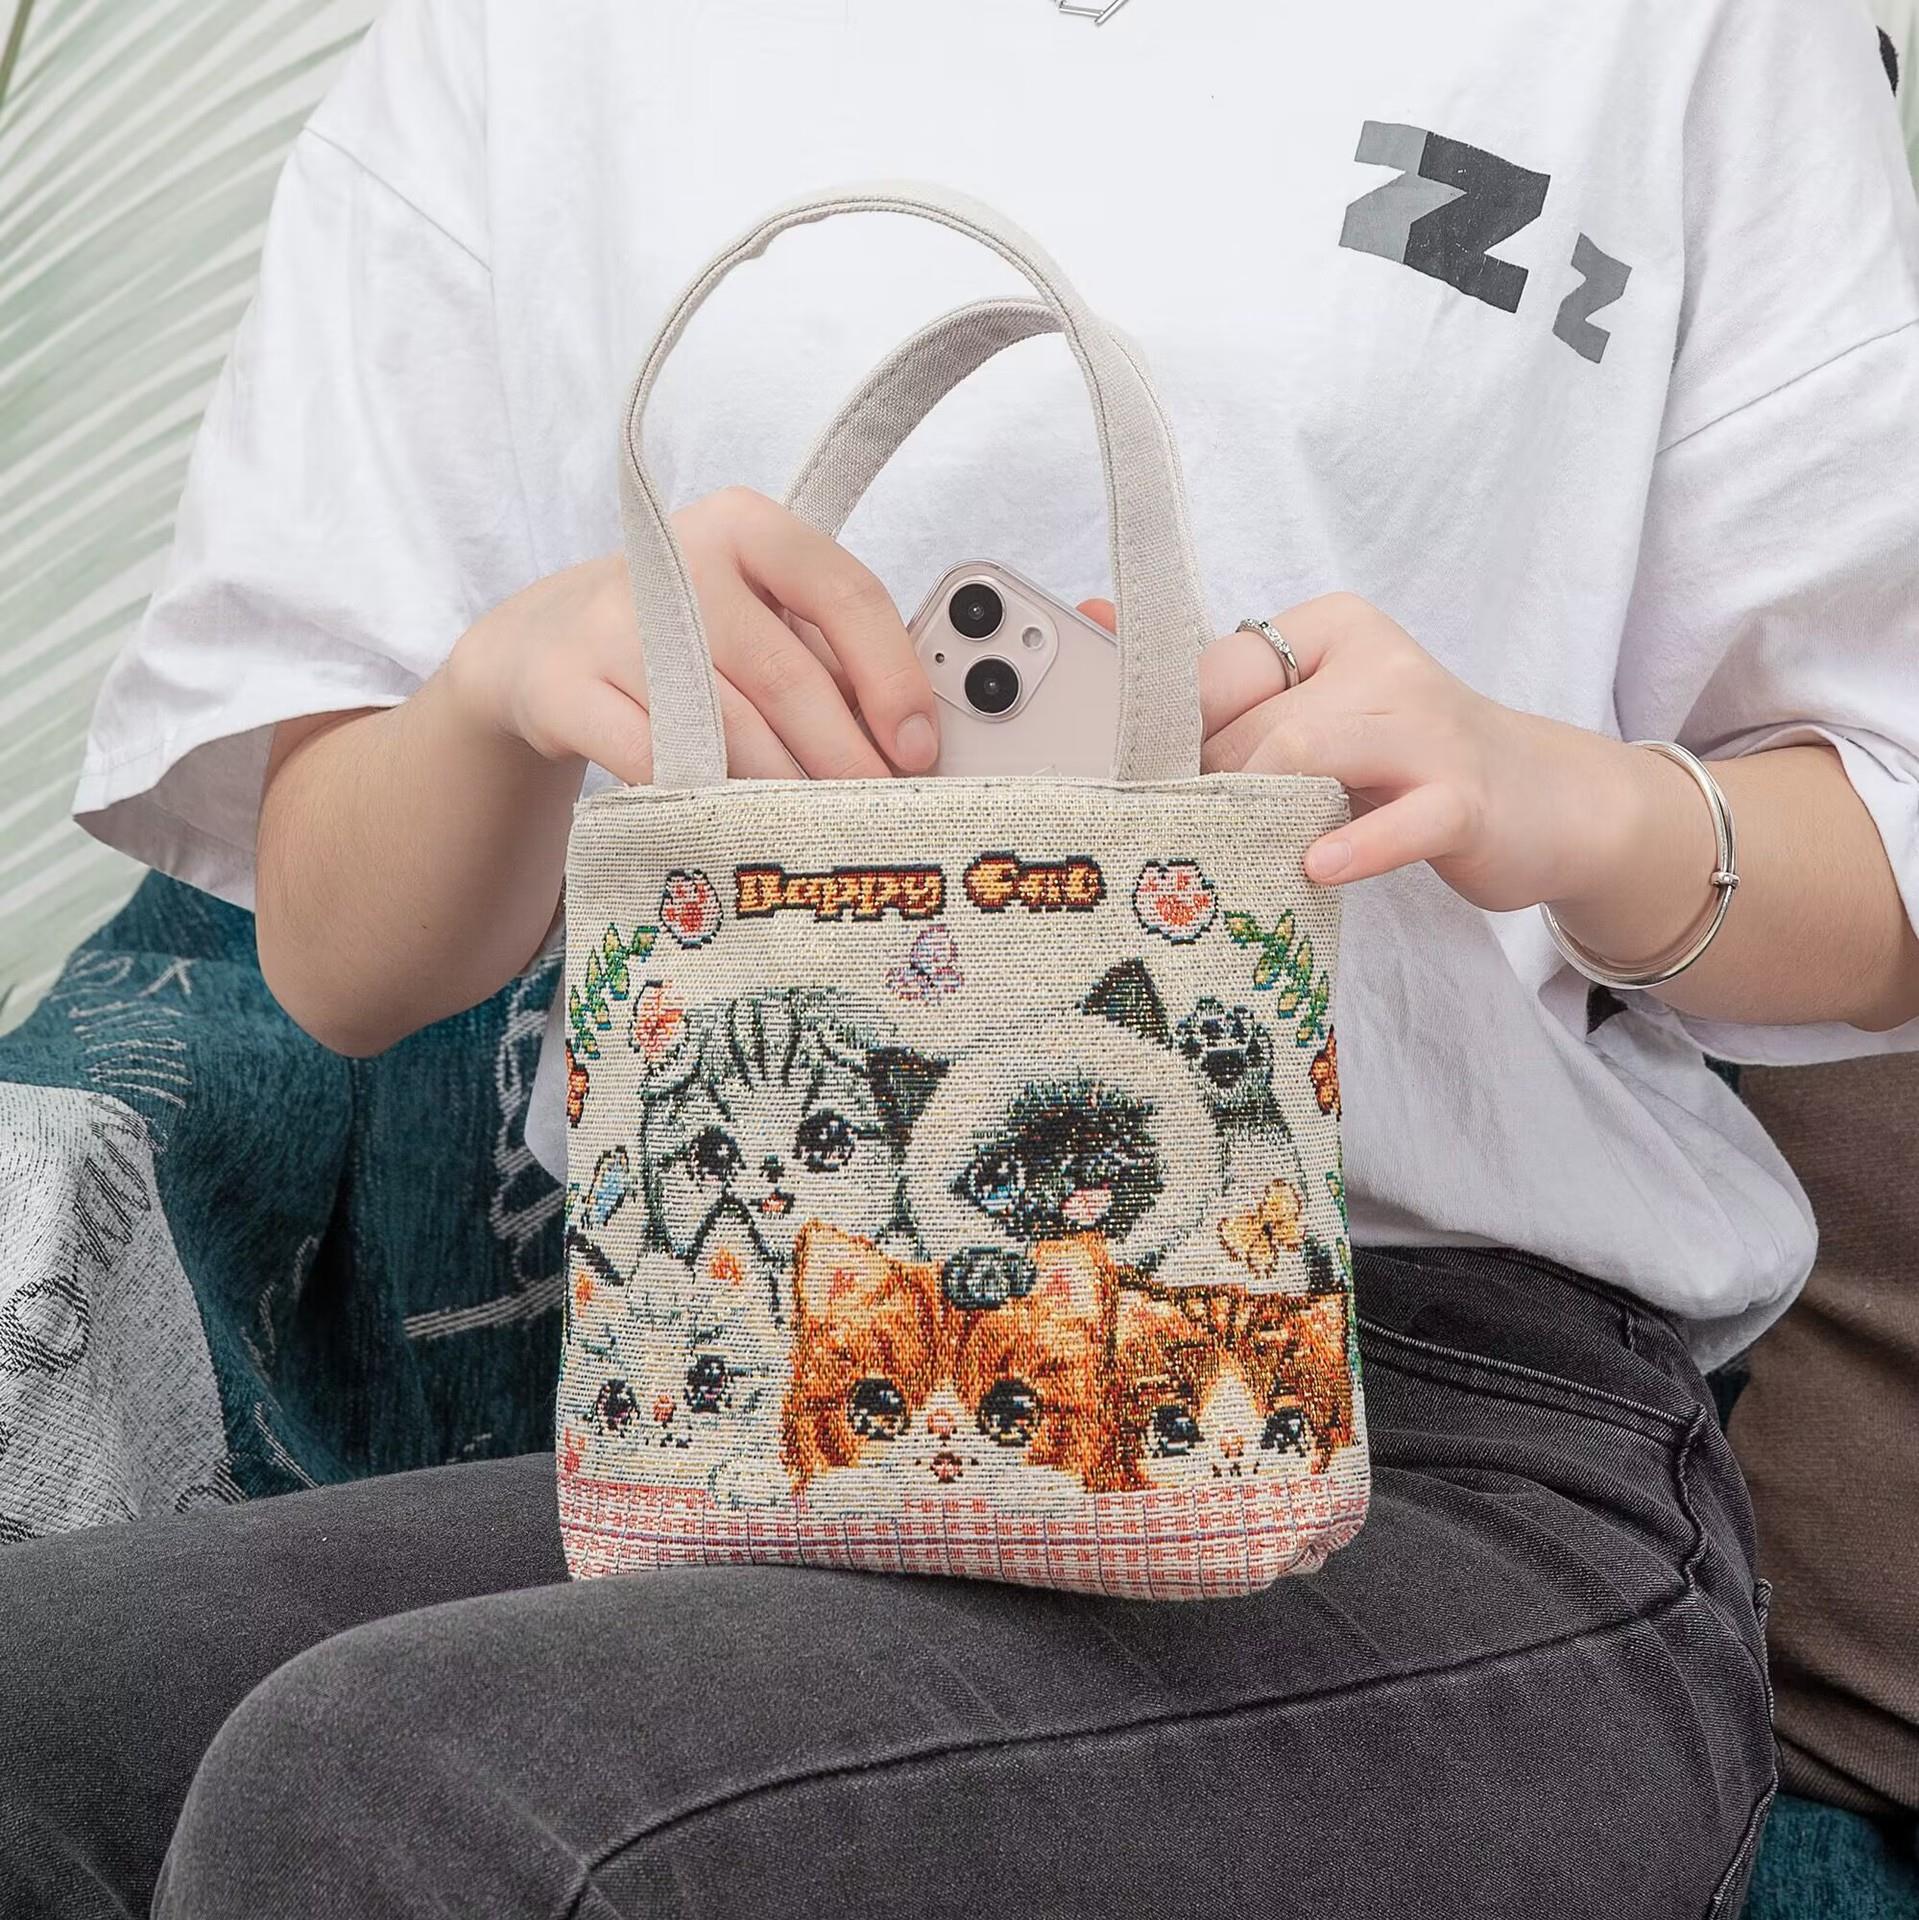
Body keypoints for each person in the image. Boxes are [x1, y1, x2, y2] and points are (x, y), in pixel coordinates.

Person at [5, 0, 1918, 1914]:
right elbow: (338, 961)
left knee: (397, 1794)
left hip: (1443, 1439)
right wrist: (505, 684)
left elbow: (1892, 871)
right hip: (771, 1412)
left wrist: (1569, 802)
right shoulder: (515, 44)